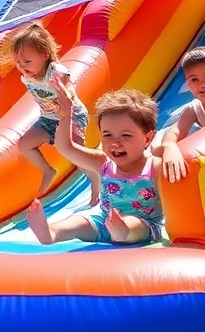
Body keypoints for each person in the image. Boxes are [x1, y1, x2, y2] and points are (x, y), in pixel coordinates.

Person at [25, 86, 177, 245]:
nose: (115, 143)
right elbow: (65, 147)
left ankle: (123, 231)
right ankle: (51, 233)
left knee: (134, 224)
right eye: (107, 135)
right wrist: (66, 111)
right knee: (78, 221)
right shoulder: (103, 162)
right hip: (104, 221)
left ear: (147, 138)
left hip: (145, 226)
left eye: (125, 135)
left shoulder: (155, 167)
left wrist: (170, 149)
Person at [10, 23, 96, 201]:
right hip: (49, 118)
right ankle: (48, 170)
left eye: (27, 61)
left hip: (71, 115)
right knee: (24, 144)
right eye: (18, 62)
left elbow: (69, 89)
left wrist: (67, 95)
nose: (22, 66)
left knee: (74, 152)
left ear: (44, 55)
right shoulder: (26, 78)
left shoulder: (55, 71)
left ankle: (95, 177)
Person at [154, 48, 205, 178]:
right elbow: (174, 132)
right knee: (159, 151)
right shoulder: (193, 109)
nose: (203, 84)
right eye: (194, 80)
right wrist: (169, 145)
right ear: (188, 85)